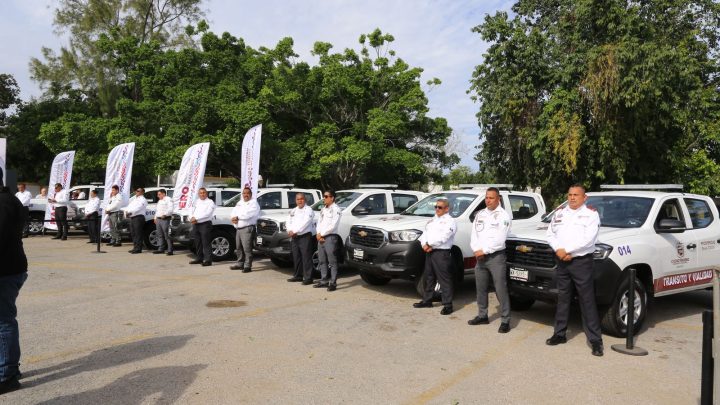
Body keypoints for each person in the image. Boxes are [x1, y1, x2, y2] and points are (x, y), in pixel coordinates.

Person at [545, 184, 604, 357]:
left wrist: (567, 250)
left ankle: (595, 341)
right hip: (562, 260)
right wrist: (559, 250)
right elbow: (550, 234)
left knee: (587, 301)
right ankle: (559, 333)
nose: (572, 197)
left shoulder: (591, 215)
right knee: (563, 298)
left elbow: (588, 239)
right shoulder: (560, 213)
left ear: (584, 198)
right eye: (570, 194)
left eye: (576, 195)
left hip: (581, 262)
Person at [467, 187, 512, 333]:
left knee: (500, 289)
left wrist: (483, 251)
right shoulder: (480, 214)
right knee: (481, 288)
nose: (488, 200)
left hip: (495, 257)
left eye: (491, 198)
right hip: (480, 257)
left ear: (498, 199)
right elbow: (474, 234)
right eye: (486, 197)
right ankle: (482, 315)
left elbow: (500, 239)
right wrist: (476, 250)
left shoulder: (503, 216)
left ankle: (505, 320)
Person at [0, 168, 28, 394]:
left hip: (5, 270)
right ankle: (9, 368)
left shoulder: (3, 203)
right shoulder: (9, 200)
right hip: (11, 267)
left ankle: (7, 374)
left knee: (3, 322)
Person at [413, 198, 457, 315]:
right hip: (429, 251)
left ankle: (448, 305)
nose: (437, 209)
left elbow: (444, 237)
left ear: (447, 209)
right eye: (436, 207)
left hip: (441, 253)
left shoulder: (450, 221)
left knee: (444, 279)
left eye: (440, 207)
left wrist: (429, 244)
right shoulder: (432, 220)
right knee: (429, 277)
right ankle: (427, 300)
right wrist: (424, 244)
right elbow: (424, 234)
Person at [314, 190, 342, 291]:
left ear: (332, 198)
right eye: (324, 196)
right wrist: (318, 233)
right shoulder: (323, 209)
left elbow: (333, 225)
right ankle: (324, 280)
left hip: (330, 237)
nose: (324, 198)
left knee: (332, 261)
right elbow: (319, 222)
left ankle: (333, 283)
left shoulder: (336, 209)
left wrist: (321, 234)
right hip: (320, 237)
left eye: (326, 196)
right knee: (322, 260)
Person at [286, 193, 315, 284]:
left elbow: (306, 222)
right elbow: (288, 221)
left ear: (305, 200)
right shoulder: (293, 210)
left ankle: (308, 278)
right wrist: (289, 230)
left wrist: (295, 231)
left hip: (304, 236)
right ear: (295, 200)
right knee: (296, 256)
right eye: (298, 199)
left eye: (301, 199)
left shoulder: (309, 210)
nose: (300, 201)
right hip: (294, 236)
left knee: (306, 257)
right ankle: (298, 275)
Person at [229, 187, 260, 272]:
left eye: (247, 193)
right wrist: (233, 218)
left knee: (247, 248)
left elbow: (248, 215)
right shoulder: (240, 202)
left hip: (247, 228)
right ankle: (240, 264)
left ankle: (247, 266)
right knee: (238, 247)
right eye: (244, 193)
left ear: (251, 194)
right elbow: (233, 211)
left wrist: (237, 217)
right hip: (238, 228)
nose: (245, 195)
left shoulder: (254, 203)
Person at [189, 188, 216, 267]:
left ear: (206, 193)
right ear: (198, 194)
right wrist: (191, 218)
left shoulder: (210, 202)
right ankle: (199, 258)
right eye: (200, 193)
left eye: (204, 193)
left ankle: (208, 260)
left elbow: (207, 214)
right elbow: (191, 210)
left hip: (205, 224)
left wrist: (196, 219)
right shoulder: (197, 201)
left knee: (206, 243)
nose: (202, 194)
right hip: (196, 224)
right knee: (198, 242)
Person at [124, 188, 148, 254]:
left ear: (142, 192)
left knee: (138, 233)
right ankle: (135, 247)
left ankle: (138, 248)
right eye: (136, 190)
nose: (136, 192)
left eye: (138, 191)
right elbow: (129, 206)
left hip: (138, 217)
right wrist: (127, 211)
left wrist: (130, 212)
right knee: (133, 233)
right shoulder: (135, 199)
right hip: (133, 217)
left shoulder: (143, 199)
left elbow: (138, 208)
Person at [153, 189, 174, 256]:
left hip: (165, 219)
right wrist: (155, 217)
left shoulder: (168, 199)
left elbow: (170, 208)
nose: (158, 196)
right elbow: (157, 210)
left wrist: (165, 214)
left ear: (163, 194)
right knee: (160, 234)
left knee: (167, 235)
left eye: (159, 194)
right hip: (159, 219)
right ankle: (161, 248)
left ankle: (170, 250)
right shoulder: (159, 201)